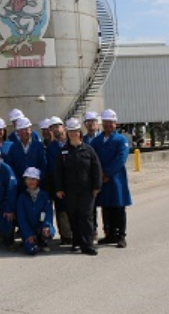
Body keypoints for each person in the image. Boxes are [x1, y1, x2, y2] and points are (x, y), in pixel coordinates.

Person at [55, 118, 103, 256]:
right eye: (70, 132)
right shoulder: (63, 152)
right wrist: (59, 188)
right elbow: (58, 171)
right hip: (70, 191)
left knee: (86, 216)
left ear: (80, 133)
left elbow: (96, 168)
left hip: (86, 190)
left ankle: (87, 244)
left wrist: (97, 186)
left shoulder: (88, 150)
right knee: (73, 216)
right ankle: (76, 242)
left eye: (75, 132)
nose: (73, 134)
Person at [93, 109, 132, 249]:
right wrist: (99, 175)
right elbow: (93, 158)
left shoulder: (121, 140)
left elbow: (121, 158)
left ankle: (121, 235)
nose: (108, 125)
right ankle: (109, 233)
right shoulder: (96, 141)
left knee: (119, 207)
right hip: (102, 180)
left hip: (116, 179)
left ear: (116, 123)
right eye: (106, 122)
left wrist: (107, 173)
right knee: (106, 207)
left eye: (111, 122)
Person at [45, 117, 72, 246]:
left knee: (74, 208)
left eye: (58, 126)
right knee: (61, 209)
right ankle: (66, 236)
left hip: (73, 182)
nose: (56, 129)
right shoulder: (51, 148)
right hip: (58, 183)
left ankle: (77, 233)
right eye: (53, 127)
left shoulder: (72, 143)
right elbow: (51, 168)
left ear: (63, 127)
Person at [16, 167, 55, 255]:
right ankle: (30, 240)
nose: (31, 182)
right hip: (28, 228)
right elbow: (21, 219)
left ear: (38, 181)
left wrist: (46, 225)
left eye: (33, 179)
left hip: (40, 226)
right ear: (25, 181)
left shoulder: (44, 195)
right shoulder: (22, 197)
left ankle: (43, 241)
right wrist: (28, 234)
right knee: (31, 250)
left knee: (49, 232)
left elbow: (49, 212)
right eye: (28, 179)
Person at [7, 117, 48, 192]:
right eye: (21, 130)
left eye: (26, 129)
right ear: (17, 132)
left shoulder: (39, 146)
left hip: (37, 187)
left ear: (31, 130)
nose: (24, 132)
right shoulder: (13, 147)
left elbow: (43, 166)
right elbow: (11, 167)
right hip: (20, 188)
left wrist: (36, 181)